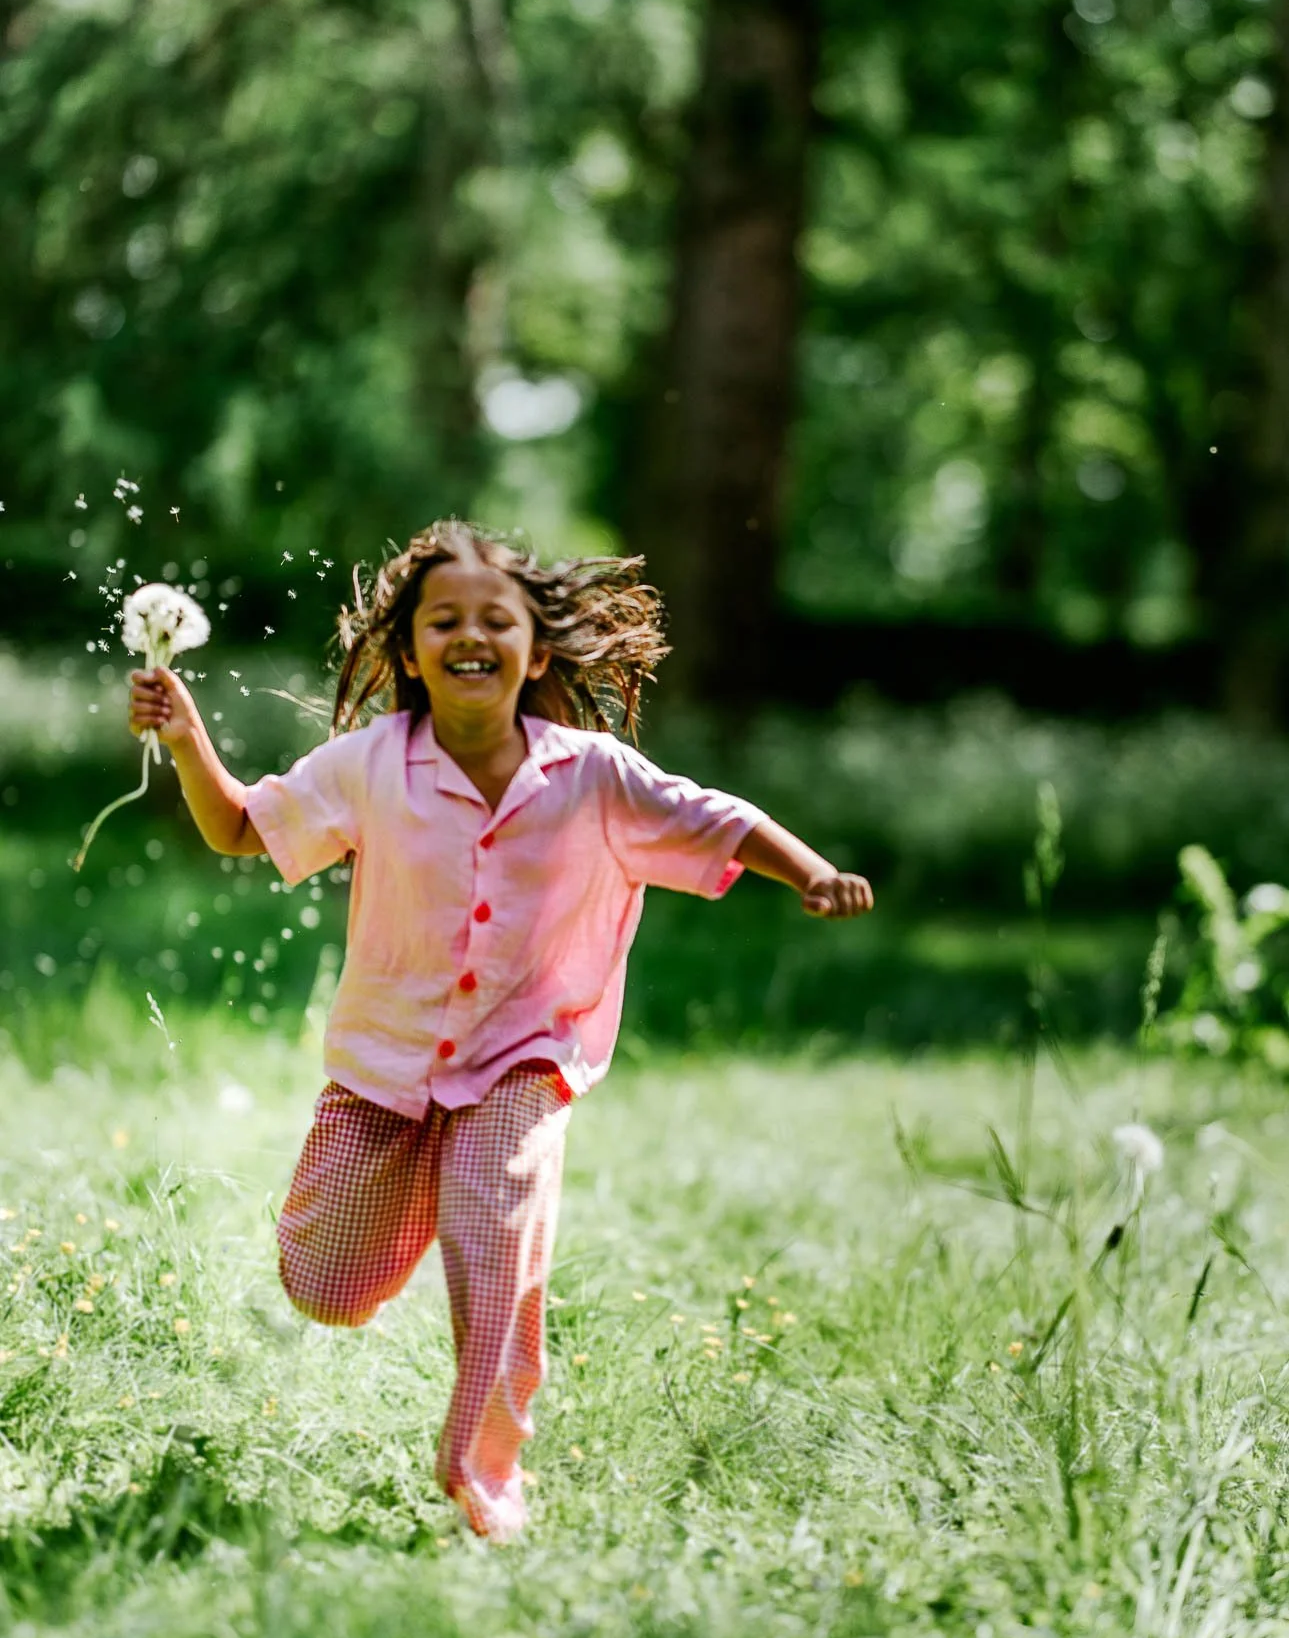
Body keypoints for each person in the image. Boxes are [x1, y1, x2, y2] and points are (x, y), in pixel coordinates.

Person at [128, 520, 873, 1541]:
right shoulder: (367, 765)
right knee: (325, 1285)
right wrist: (186, 735)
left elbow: (721, 820)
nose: (469, 635)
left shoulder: (591, 774)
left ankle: (486, 1479)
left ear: (534, 649)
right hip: (386, 1068)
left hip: (522, 1062)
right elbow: (240, 830)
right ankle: (425, 1190)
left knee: (494, 1242)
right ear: (407, 650)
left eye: (496, 620)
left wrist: (812, 872)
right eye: (444, 620)